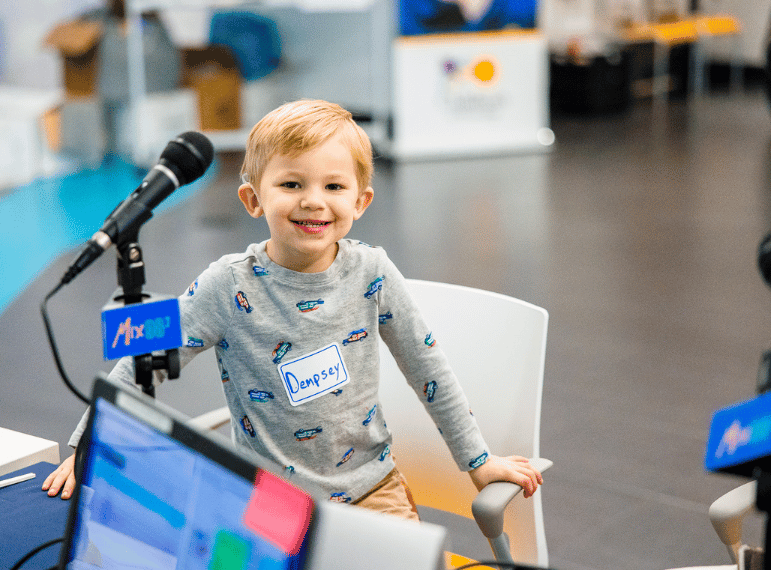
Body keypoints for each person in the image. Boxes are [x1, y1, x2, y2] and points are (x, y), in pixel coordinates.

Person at [43, 99, 542, 520]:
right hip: (269, 504)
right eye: (291, 185)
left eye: (333, 186)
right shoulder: (225, 286)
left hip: (374, 492)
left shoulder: (373, 273)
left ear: (361, 200)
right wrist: (89, 444)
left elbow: (428, 367)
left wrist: (477, 461)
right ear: (252, 198)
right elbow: (142, 353)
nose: (313, 202)